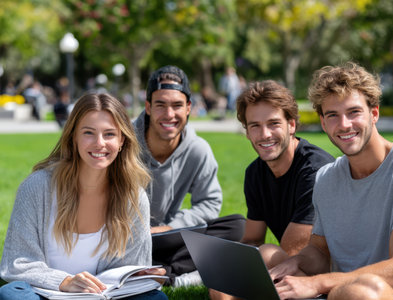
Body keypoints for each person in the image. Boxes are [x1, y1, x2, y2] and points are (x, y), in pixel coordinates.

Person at [270, 62, 393, 300]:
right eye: (333, 115)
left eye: (354, 112)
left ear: (374, 113)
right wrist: (296, 263)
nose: (344, 125)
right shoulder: (326, 177)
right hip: (339, 292)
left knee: (359, 292)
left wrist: (318, 284)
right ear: (323, 123)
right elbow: (320, 252)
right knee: (266, 257)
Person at [0, 93, 168, 300]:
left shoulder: (133, 197)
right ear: (73, 137)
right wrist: (64, 282)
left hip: (102, 296)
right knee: (11, 294)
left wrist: (137, 274)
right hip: (46, 295)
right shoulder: (37, 187)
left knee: (155, 298)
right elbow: (17, 262)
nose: (99, 143)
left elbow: (128, 271)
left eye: (109, 134)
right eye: (89, 133)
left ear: (122, 140)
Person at [210, 80, 335, 300]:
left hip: (328, 273)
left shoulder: (315, 170)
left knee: (267, 254)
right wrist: (227, 263)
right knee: (220, 286)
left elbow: (293, 251)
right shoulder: (255, 173)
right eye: (255, 126)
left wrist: (247, 265)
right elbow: (252, 239)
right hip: (289, 265)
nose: (265, 134)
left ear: (292, 125)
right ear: (247, 132)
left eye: (273, 123)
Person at [133, 65, 245, 287]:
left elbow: (209, 203)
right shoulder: (122, 143)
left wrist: (170, 228)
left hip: (165, 236)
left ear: (188, 108)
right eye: (160, 105)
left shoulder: (197, 149)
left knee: (237, 226)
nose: (169, 114)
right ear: (148, 107)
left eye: (177, 106)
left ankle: (167, 272)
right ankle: (157, 266)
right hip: (125, 237)